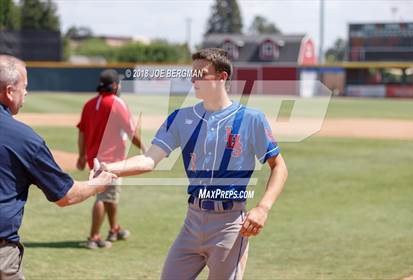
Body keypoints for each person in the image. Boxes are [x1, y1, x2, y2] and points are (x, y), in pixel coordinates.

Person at [99, 48, 288, 279]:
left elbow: (279, 166)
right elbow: (149, 160)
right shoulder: (180, 118)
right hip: (192, 221)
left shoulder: (250, 119)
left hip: (230, 224)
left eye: (201, 73)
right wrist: (110, 168)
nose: (194, 78)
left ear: (222, 77)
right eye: (193, 73)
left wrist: (263, 208)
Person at [0, 56, 116, 279]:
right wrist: (98, 184)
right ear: (9, 91)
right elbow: (66, 196)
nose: (26, 93)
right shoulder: (25, 140)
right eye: (24, 87)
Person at [76, 69, 146, 249]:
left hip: (94, 159)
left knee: (110, 196)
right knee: (103, 197)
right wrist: (146, 149)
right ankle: (94, 237)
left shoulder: (90, 104)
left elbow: (82, 132)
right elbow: (131, 132)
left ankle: (114, 229)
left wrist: (82, 155)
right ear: (115, 85)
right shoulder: (117, 103)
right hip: (112, 161)